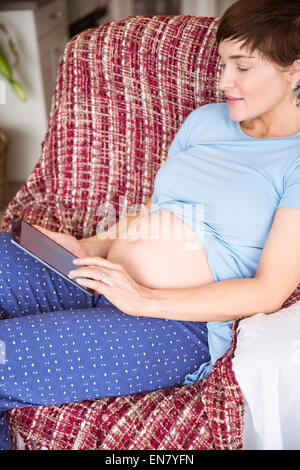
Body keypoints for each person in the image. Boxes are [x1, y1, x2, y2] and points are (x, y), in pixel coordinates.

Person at [1, 0, 300, 450]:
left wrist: (143, 300)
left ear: (295, 70)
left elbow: (268, 291)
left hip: (176, 323)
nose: (223, 83)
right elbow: (162, 213)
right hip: (98, 279)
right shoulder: (205, 122)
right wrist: (88, 247)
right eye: (222, 64)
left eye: (242, 67)